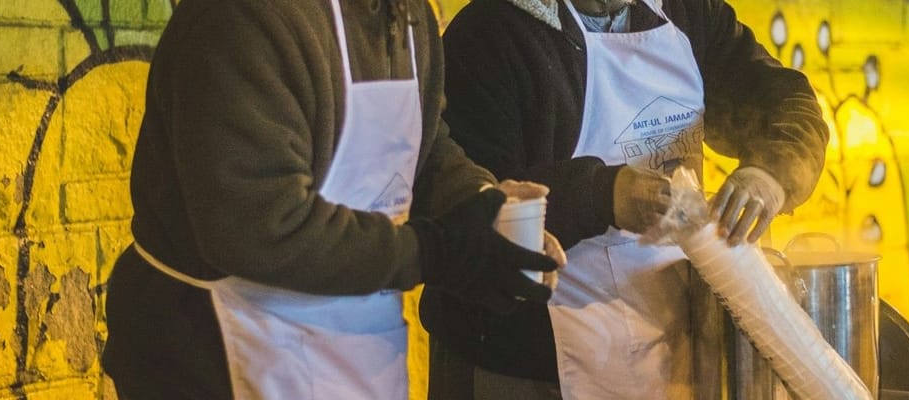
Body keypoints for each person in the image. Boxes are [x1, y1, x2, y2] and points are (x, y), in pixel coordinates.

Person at [99, 0, 562, 398]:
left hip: (350, 338)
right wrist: (440, 252)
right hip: (215, 348)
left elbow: (423, 146)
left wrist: (481, 205)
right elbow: (261, 226)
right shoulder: (242, 18)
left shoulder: (407, 14)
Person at [422, 0, 828, 397]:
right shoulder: (491, 34)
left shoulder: (689, 14)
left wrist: (771, 172)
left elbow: (788, 102)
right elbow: (465, 205)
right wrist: (603, 194)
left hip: (672, 351)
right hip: (523, 365)